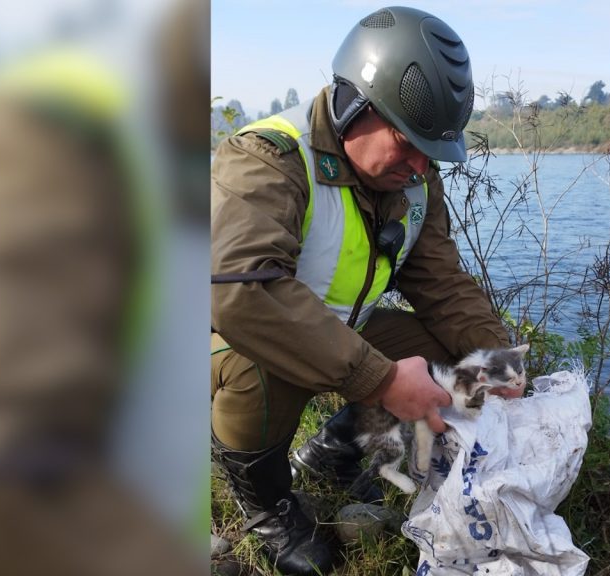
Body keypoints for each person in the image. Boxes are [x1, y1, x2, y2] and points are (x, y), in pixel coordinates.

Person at [210, 6, 521, 575]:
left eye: (432, 151)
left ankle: (333, 452)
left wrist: (498, 360)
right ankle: (264, 500)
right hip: (235, 339)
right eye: (407, 142)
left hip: (341, 329)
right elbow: (243, 294)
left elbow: (443, 284)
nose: (421, 164)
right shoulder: (269, 158)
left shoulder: (414, 178)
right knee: (263, 360)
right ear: (355, 106)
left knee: (460, 360)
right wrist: (380, 379)